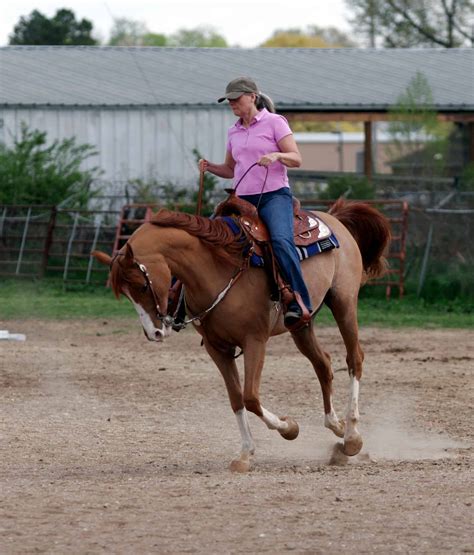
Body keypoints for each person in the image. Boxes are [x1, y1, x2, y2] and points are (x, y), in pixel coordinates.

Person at [199, 76, 312, 329]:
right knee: (207, 236)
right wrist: (210, 167)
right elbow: (230, 169)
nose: (232, 104)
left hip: (274, 195)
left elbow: (296, 158)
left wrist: (277, 155)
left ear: (252, 97)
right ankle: (186, 299)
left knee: (281, 241)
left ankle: (299, 301)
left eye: (236, 98)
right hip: (241, 199)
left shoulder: (274, 122)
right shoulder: (233, 131)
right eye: (229, 100)